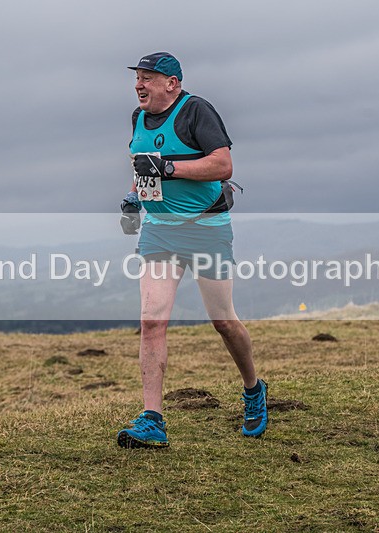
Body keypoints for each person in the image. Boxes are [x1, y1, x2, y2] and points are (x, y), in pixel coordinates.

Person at [117, 52, 267, 449]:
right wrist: (134, 199)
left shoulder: (196, 111)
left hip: (206, 229)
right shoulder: (137, 118)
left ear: (173, 83)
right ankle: (153, 419)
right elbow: (140, 164)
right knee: (152, 322)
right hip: (159, 231)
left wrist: (169, 169)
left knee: (223, 322)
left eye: (148, 78)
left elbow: (222, 166)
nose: (139, 85)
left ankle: (253, 388)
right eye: (138, 78)